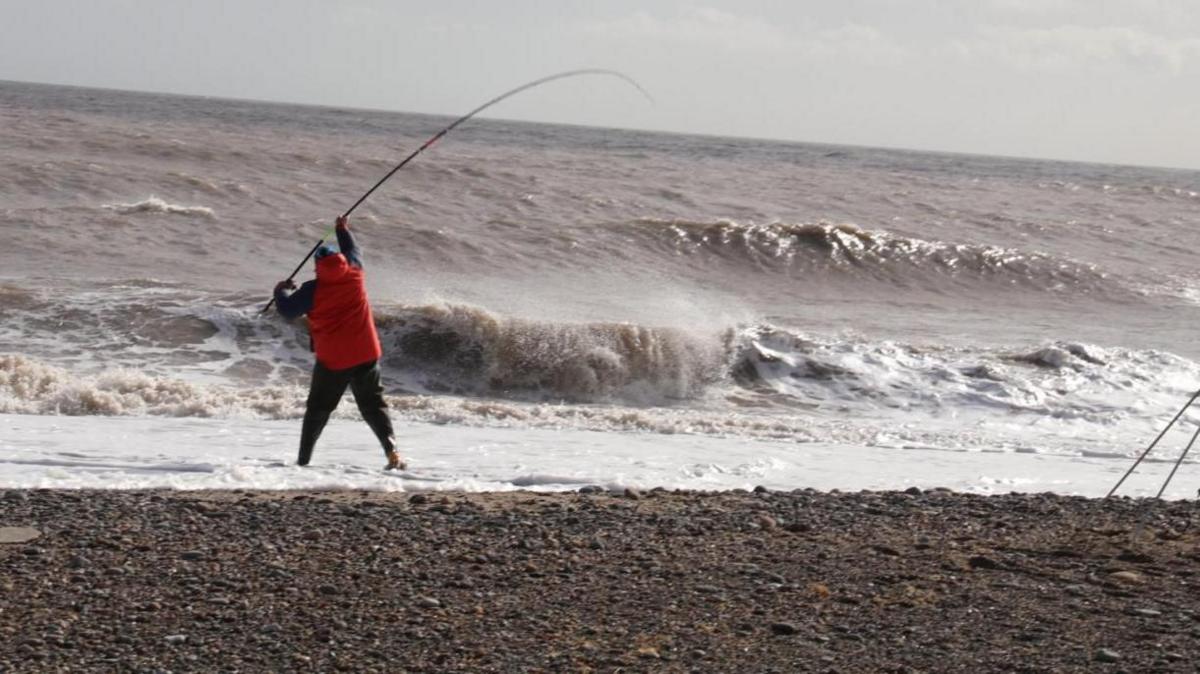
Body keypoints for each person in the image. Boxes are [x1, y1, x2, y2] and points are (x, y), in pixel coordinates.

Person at [273, 215, 404, 471]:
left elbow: (288, 311)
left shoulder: (313, 290)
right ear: (342, 262)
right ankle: (393, 453)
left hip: (334, 360)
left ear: (318, 267)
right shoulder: (355, 272)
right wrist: (342, 229)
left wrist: (280, 290)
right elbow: (353, 249)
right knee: (374, 405)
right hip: (367, 352)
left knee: (318, 409)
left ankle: (303, 461)